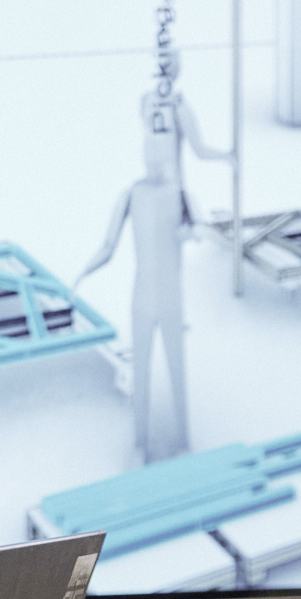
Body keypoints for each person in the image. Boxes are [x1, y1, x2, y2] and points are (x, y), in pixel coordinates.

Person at [82, 78, 227, 463]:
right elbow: (107, 246)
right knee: (142, 377)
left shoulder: (180, 196)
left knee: (178, 373)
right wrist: (80, 276)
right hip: (141, 299)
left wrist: (194, 232)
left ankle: (184, 441)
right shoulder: (132, 194)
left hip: (170, 300)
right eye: (148, 152)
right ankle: (139, 444)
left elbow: (202, 230)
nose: (152, 160)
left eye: (158, 154)